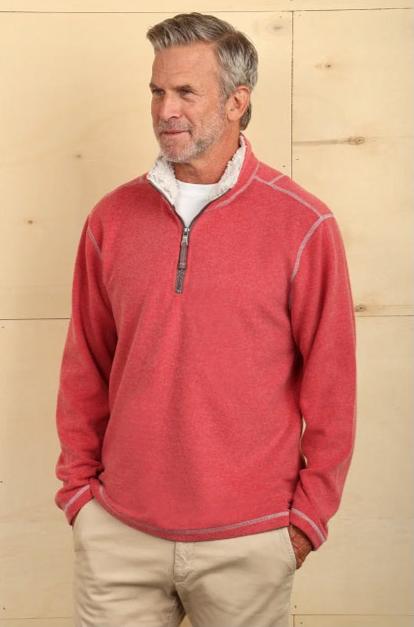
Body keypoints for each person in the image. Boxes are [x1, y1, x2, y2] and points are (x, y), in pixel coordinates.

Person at [54, 12, 357, 627]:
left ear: (236, 102)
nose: (166, 109)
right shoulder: (111, 218)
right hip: (119, 536)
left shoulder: (304, 225)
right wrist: (80, 495)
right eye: (157, 90)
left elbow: (333, 387)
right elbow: (86, 362)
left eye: (186, 92)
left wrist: (306, 522)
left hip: (249, 542)